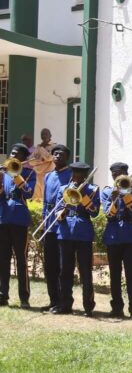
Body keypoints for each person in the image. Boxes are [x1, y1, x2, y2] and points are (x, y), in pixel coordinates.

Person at [55, 162, 100, 315]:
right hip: (66, 232)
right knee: (65, 270)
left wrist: (84, 197)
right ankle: (65, 305)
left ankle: (88, 306)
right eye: (74, 175)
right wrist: (63, 211)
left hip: (83, 233)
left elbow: (94, 212)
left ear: (85, 176)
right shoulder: (63, 189)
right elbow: (57, 212)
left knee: (85, 271)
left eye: (80, 176)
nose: (77, 178)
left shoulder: (93, 190)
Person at [101, 162, 132, 319]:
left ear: (125, 174)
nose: (116, 177)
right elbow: (108, 215)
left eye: (119, 174)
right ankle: (117, 307)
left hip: (128, 236)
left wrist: (126, 196)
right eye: (114, 175)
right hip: (112, 236)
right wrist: (113, 200)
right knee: (115, 274)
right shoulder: (107, 192)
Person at [0, 143, 37, 308]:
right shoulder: (3, 173)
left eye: (16, 154)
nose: (13, 156)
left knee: (21, 260)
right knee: (3, 259)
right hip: (3, 218)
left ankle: (24, 297)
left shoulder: (30, 173)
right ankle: (2, 294)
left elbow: (28, 193)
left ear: (23, 158)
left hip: (20, 220)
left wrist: (16, 175)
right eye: (12, 153)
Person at [41, 145, 71, 312]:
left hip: (61, 225)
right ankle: (53, 300)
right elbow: (45, 201)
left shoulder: (71, 175)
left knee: (61, 267)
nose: (57, 156)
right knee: (50, 266)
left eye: (61, 154)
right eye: (55, 154)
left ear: (67, 158)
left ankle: (63, 301)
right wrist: (43, 221)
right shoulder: (48, 176)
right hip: (48, 224)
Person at [26, 128, 54, 202]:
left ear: (50, 135)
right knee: (36, 197)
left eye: (46, 134)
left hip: (48, 174)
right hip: (38, 175)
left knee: (46, 194)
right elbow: (31, 161)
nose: (44, 136)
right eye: (42, 134)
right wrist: (41, 160)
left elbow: (49, 157)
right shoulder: (38, 147)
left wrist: (40, 158)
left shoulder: (54, 146)